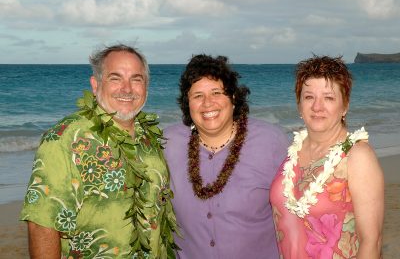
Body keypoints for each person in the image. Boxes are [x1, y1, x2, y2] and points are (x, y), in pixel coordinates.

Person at [20, 44, 178, 258]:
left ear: (146, 86)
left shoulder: (150, 138)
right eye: (115, 78)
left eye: (136, 79)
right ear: (95, 85)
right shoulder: (65, 138)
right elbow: (42, 224)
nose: (127, 88)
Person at [163, 54, 289, 258]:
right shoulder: (167, 144)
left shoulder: (271, 142)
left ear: (233, 97)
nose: (207, 103)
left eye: (216, 92)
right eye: (197, 96)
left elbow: (297, 211)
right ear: (188, 104)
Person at [270, 55, 384, 258]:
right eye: (309, 97)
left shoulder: (357, 157)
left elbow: (371, 243)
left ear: (345, 106)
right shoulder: (292, 153)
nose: (317, 106)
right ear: (299, 105)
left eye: (328, 97)